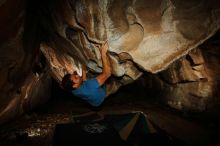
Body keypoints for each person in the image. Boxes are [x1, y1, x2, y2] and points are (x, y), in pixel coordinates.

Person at [62, 41, 111, 107]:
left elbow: (84, 81)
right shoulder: (90, 86)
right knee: (103, 74)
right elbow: (107, 73)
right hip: (101, 101)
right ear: (75, 86)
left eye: (75, 74)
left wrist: (83, 67)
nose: (78, 75)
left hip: (93, 103)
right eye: (76, 77)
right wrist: (102, 53)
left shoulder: (73, 90)